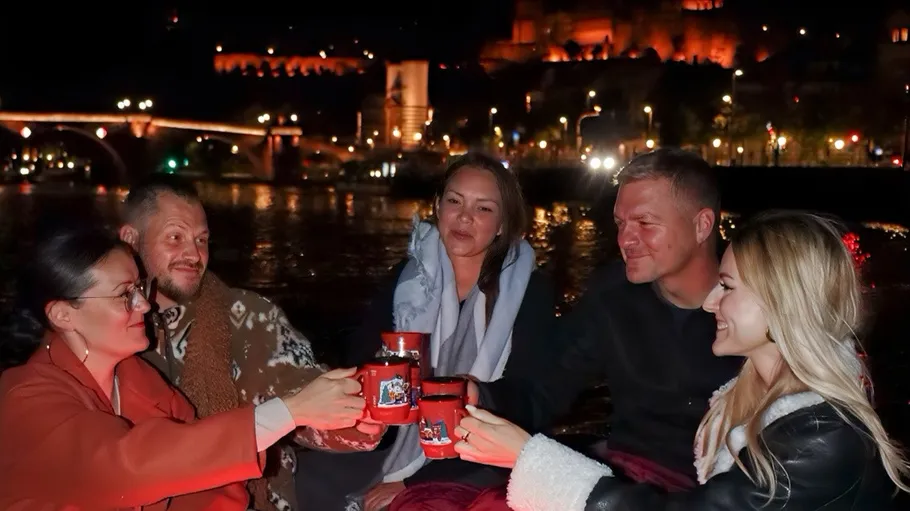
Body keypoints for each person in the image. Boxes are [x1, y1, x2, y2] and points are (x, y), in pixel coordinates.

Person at [457, 211, 910, 510]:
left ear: (782, 301)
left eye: (728, 287)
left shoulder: (821, 436)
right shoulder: (754, 395)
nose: (711, 301)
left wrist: (530, 458)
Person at [0, 221, 366, 510]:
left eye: (139, 289)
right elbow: (126, 467)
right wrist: (291, 410)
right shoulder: (24, 397)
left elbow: (215, 485)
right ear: (64, 314)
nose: (144, 305)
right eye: (124, 295)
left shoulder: (142, 382)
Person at [459, 148, 742, 489]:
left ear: (702, 225)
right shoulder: (613, 293)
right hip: (628, 472)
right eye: (620, 223)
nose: (625, 240)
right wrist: (478, 395)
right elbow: (547, 389)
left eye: (645, 223)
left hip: (722, 489)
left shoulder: (759, 302)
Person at [296, 153, 557, 511]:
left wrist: (477, 394)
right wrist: (380, 377)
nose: (464, 217)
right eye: (454, 201)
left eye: (483, 209)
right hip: (397, 437)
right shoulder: (407, 279)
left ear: (502, 224)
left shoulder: (529, 291)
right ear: (437, 206)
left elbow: (532, 397)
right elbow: (362, 356)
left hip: (483, 447)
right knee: (304, 477)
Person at [117, 175, 384, 511]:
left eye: (202, 240)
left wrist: (359, 419)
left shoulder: (247, 317)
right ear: (130, 240)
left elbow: (300, 388)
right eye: (175, 237)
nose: (194, 254)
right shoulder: (107, 330)